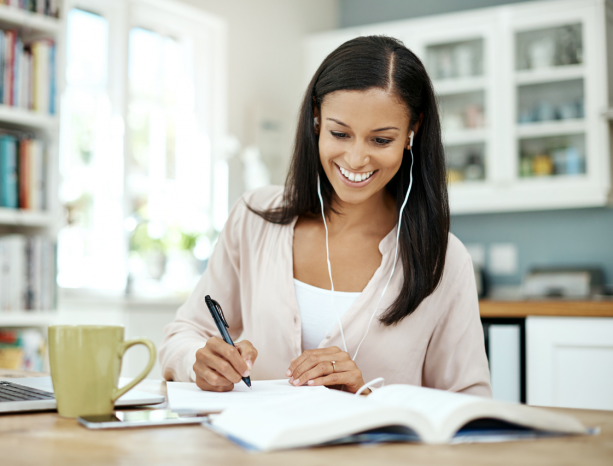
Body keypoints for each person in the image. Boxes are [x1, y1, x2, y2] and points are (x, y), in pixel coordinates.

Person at [158, 35, 491, 397]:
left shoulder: (443, 260)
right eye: (339, 133)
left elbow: (470, 404)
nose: (356, 159)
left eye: (381, 140)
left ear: (413, 132)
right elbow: (183, 333)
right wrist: (199, 362)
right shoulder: (255, 219)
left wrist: (367, 395)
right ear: (316, 119)